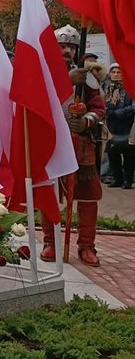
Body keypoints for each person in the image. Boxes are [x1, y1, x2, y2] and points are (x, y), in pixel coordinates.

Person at [40, 25, 106, 266]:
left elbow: (99, 107)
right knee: (49, 192)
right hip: (53, 142)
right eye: (62, 46)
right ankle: (50, 242)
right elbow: (39, 101)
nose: (67, 51)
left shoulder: (88, 76)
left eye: (71, 47)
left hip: (80, 144)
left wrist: (86, 121)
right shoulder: (44, 73)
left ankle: (86, 245)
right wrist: (66, 81)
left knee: (88, 195)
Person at [103, 63, 133, 190]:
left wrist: (118, 113)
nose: (116, 74)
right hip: (111, 126)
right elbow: (101, 103)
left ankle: (127, 180)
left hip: (127, 126)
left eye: (118, 72)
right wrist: (107, 112)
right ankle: (117, 179)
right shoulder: (105, 88)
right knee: (112, 153)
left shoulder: (130, 88)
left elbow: (133, 106)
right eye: (113, 72)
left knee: (129, 155)